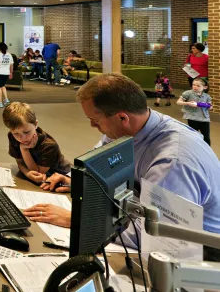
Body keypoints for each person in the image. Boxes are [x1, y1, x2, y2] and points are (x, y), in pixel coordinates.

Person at [22, 74, 220, 256]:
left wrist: (79, 222)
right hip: (140, 218)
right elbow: (99, 161)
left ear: (123, 117)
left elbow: (155, 237)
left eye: (95, 120)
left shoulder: (171, 162)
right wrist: (73, 179)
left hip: (202, 253)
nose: (92, 126)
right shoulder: (129, 128)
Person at [2, 102, 71, 185]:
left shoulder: (49, 145)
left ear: (35, 124)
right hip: (42, 180)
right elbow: (20, 162)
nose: (22, 138)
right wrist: (27, 173)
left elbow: (37, 173)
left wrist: (24, 150)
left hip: (63, 176)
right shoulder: (12, 137)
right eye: (15, 133)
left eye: (26, 132)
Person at [177, 77, 212, 145]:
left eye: (198, 86)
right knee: (193, 135)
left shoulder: (207, 96)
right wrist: (188, 103)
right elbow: (178, 102)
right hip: (192, 118)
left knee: (206, 136)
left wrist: (208, 106)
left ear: (205, 87)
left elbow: (210, 106)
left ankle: (208, 151)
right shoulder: (188, 93)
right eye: (193, 85)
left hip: (204, 119)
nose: (195, 87)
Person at [0, 42, 13, 108]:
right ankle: (6, 99)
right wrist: (11, 73)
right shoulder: (9, 55)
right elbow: (11, 65)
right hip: (6, 73)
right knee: (2, 86)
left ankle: (0, 102)